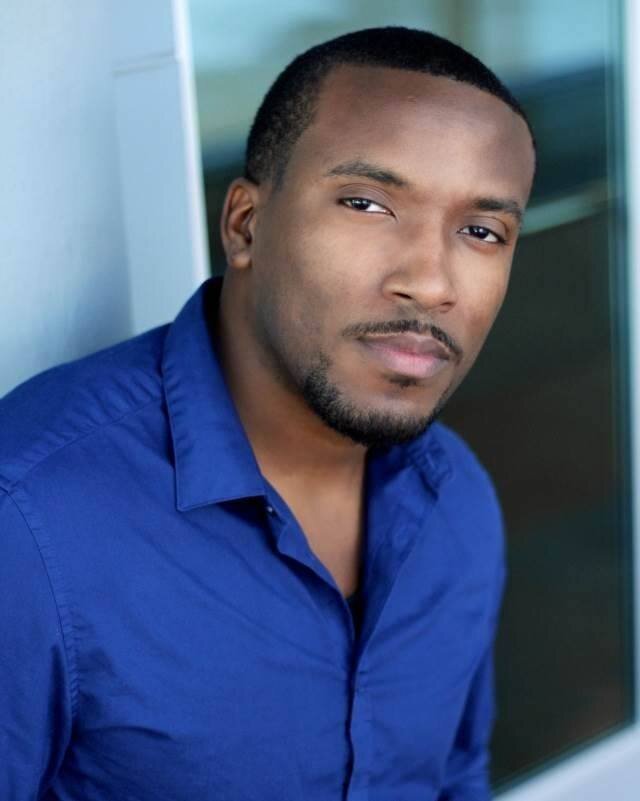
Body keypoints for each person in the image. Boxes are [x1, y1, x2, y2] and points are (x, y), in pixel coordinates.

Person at [0, 25, 535, 801]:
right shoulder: (32, 520)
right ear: (246, 224)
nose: (431, 281)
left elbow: (453, 779)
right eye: (367, 203)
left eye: (482, 231)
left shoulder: (456, 503)